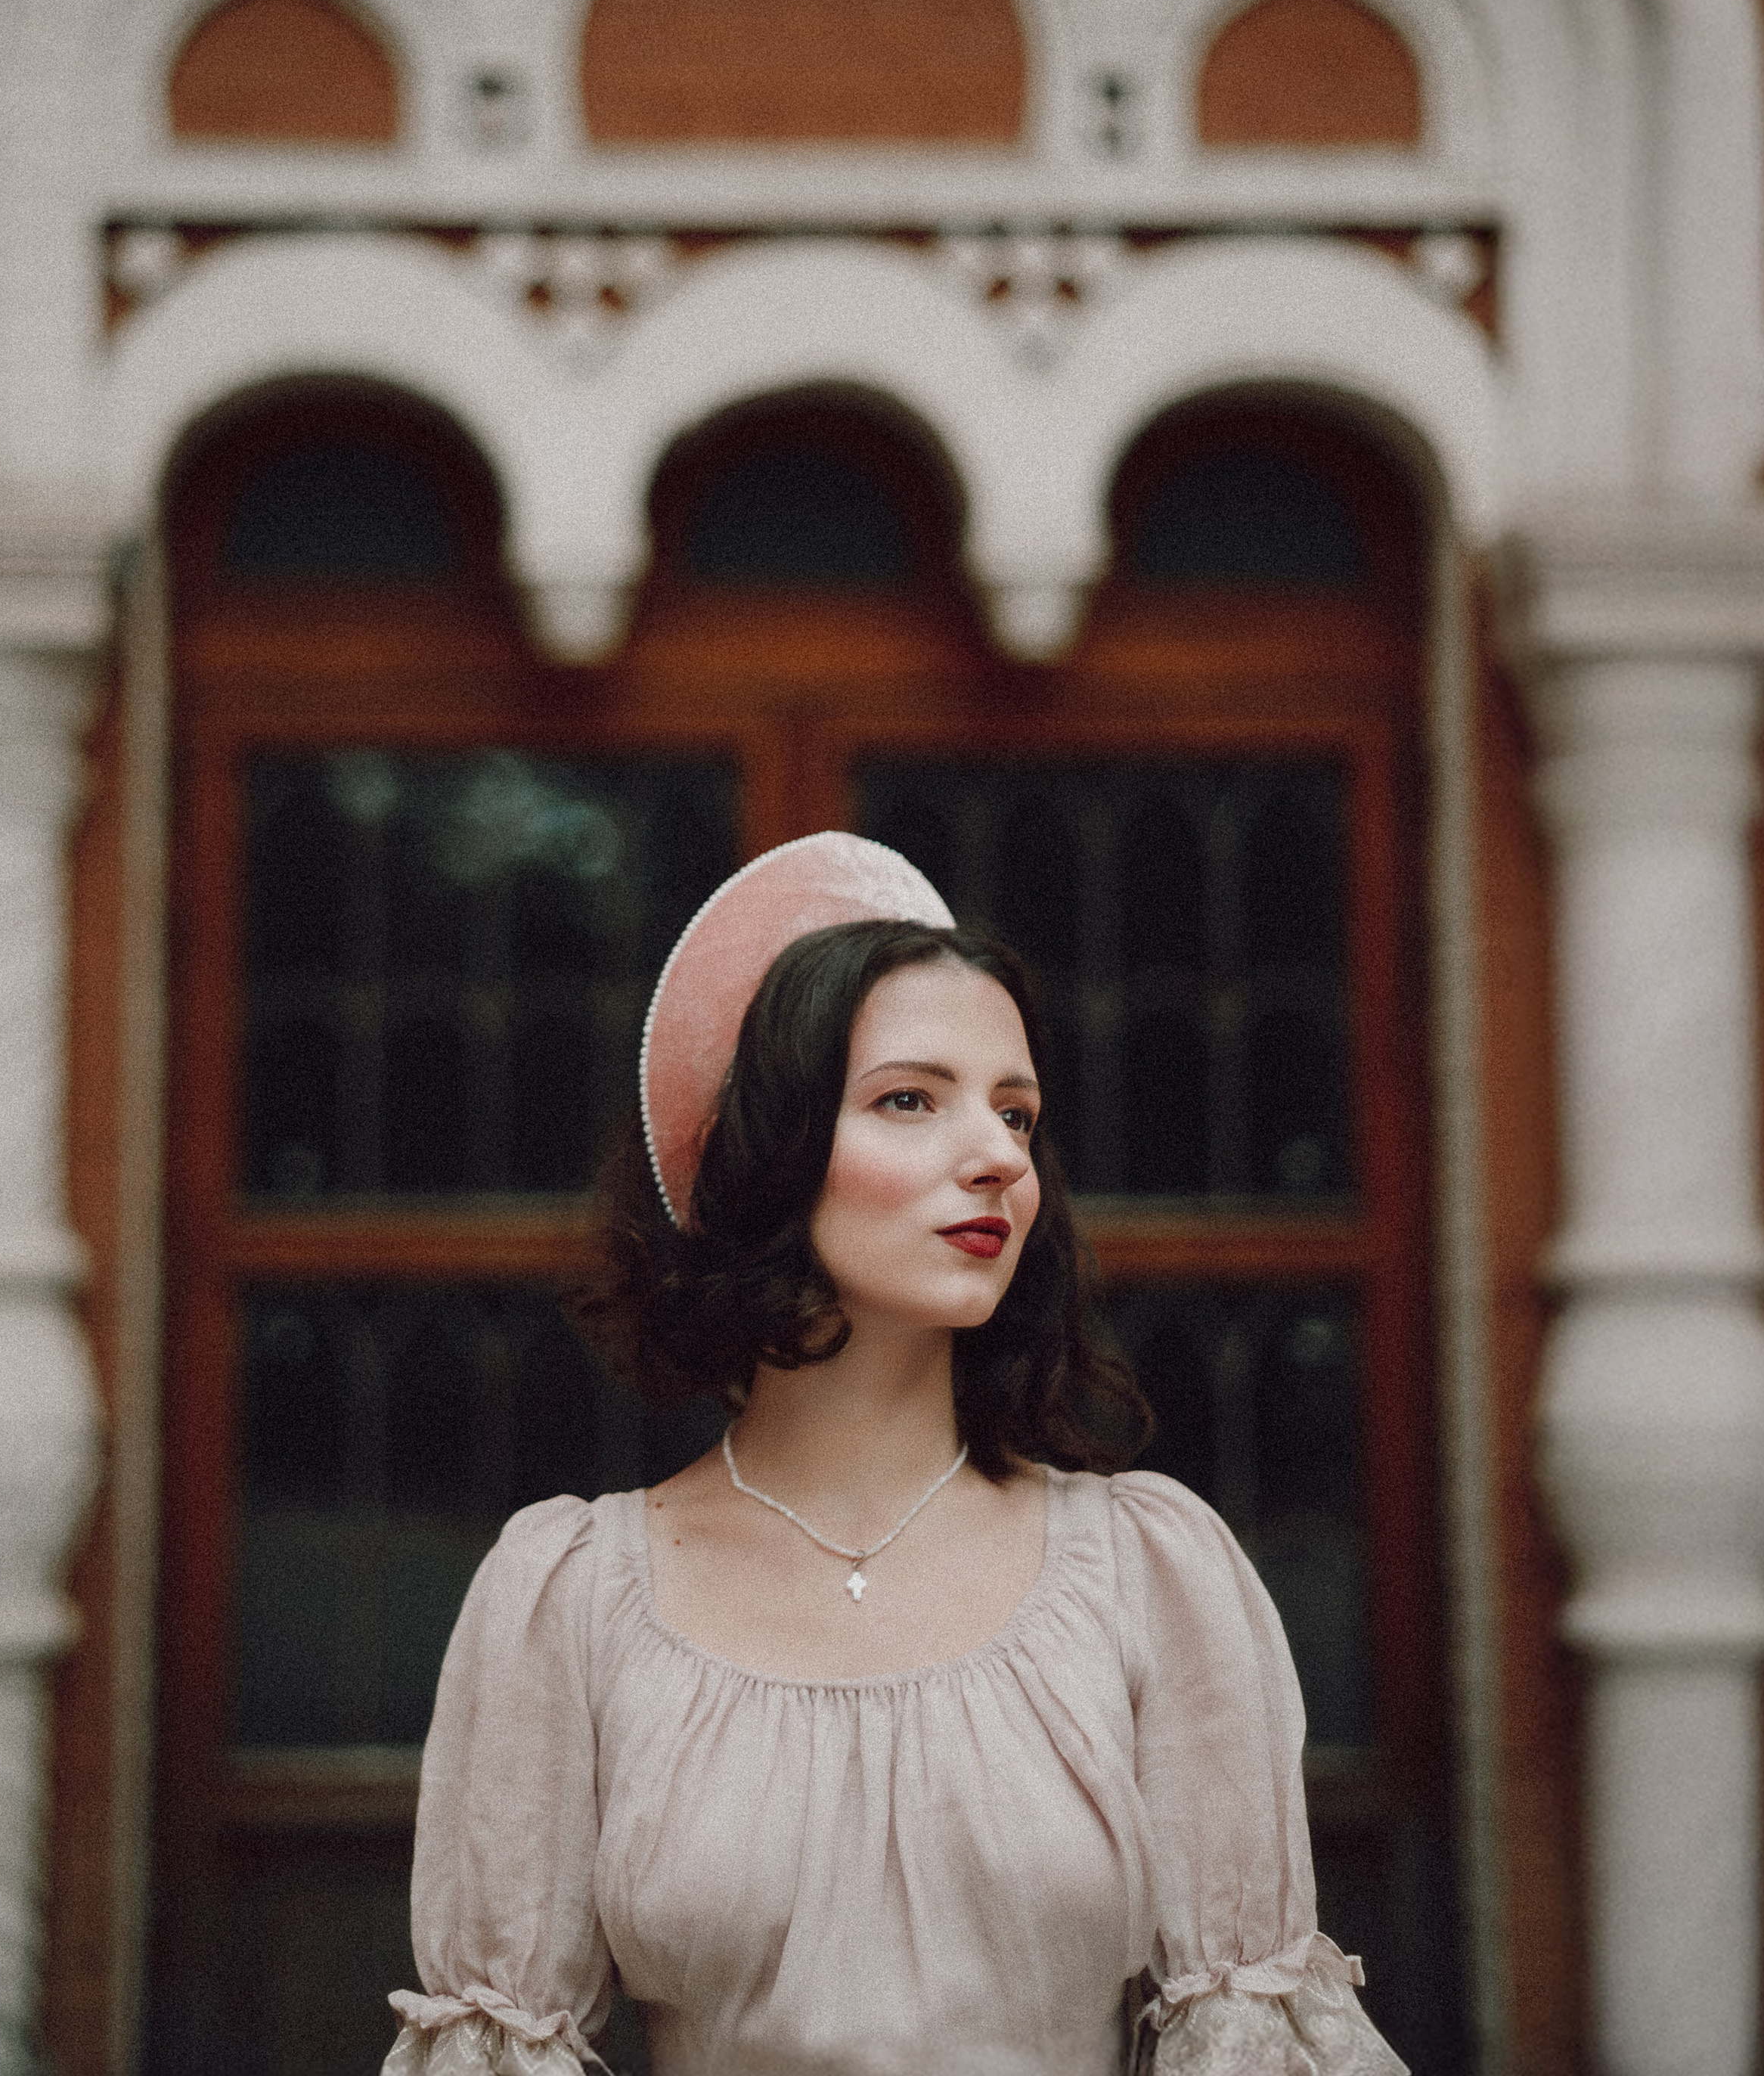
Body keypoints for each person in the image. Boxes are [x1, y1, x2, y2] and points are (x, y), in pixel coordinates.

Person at [381, 833, 1406, 2076]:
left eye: (1017, 1111)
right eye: (910, 1100)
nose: (999, 1157)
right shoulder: (570, 1599)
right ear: (766, 1151)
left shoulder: (1152, 1571)